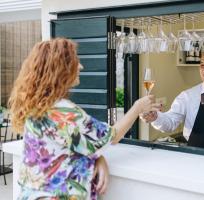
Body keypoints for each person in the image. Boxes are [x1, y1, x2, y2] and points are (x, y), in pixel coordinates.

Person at [8, 38, 160, 200]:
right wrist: (137, 107)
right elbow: (111, 137)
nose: (81, 66)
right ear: (61, 69)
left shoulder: (37, 106)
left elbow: (66, 146)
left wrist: (97, 157)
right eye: (76, 61)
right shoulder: (64, 112)